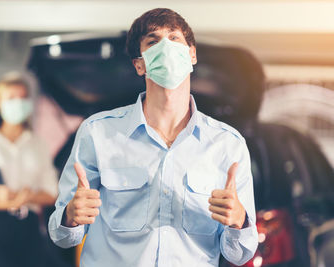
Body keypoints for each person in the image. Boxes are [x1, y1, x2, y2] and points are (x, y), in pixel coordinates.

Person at [48, 8, 258, 267]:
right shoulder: (98, 133)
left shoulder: (228, 145)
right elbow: (62, 236)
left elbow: (241, 253)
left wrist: (239, 221)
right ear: (140, 64)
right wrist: (70, 215)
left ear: (191, 54)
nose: (166, 47)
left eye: (174, 38)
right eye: (153, 41)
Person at [0, 72, 59, 267]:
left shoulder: (37, 144)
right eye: (11, 98)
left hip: (29, 229)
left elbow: (52, 192)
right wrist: (4, 200)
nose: (18, 103)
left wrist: (27, 196)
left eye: (23, 98)